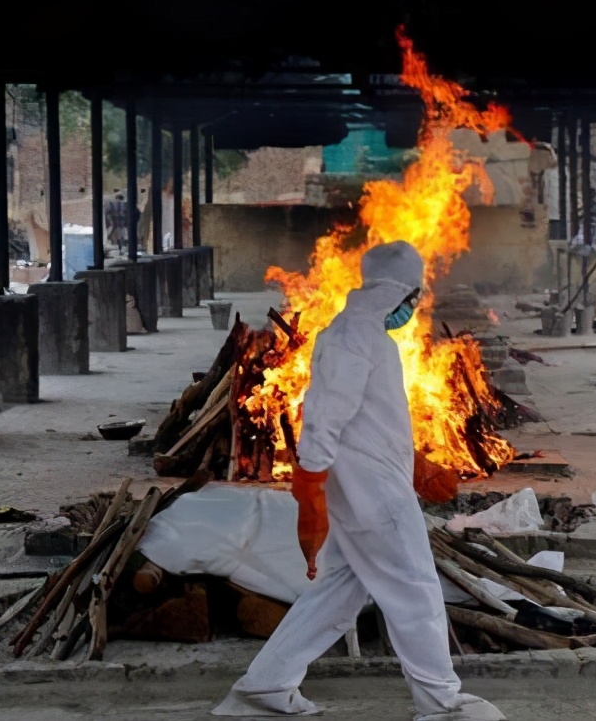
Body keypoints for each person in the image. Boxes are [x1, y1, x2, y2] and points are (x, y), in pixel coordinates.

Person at [213, 241, 505, 721]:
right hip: (373, 495)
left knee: (339, 593)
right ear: (401, 293)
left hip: (371, 485)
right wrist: (309, 487)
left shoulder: (366, 335)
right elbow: (325, 417)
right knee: (416, 592)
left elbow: (371, 418)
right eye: (414, 298)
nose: (414, 309)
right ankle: (442, 705)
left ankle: (263, 689)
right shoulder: (355, 337)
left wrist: (416, 465)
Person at [106, 189, 129, 254]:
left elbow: (108, 214)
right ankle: (122, 249)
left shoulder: (112, 204)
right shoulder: (125, 205)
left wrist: (111, 222)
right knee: (122, 237)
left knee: (117, 238)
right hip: (122, 224)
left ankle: (120, 248)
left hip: (115, 224)